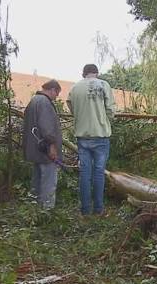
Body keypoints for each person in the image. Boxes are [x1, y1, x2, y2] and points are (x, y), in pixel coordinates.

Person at [67, 64, 116, 216]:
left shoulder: (75, 88)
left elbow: (69, 103)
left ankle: (85, 211)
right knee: (99, 173)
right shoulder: (103, 85)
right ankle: (99, 209)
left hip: (82, 137)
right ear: (96, 73)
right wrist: (106, 118)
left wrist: (79, 115)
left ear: (84, 74)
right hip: (100, 135)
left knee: (85, 173)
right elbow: (111, 110)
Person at [23, 79, 63, 209]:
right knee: (48, 181)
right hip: (45, 150)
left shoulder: (33, 101)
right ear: (52, 90)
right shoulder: (45, 103)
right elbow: (47, 127)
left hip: (35, 149)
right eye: (56, 94)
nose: (56, 97)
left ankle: (34, 208)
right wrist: (52, 146)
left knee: (37, 180)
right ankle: (47, 210)